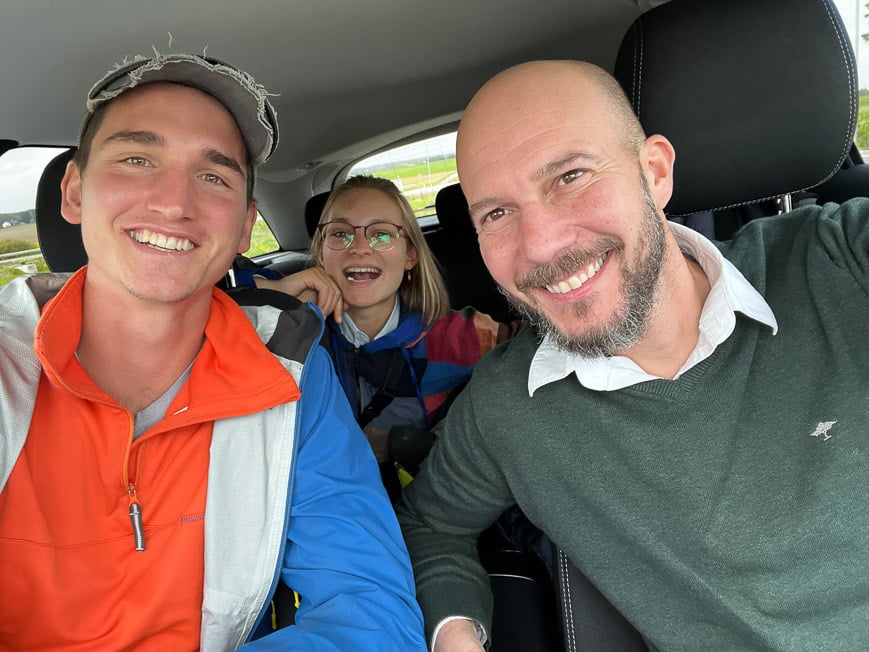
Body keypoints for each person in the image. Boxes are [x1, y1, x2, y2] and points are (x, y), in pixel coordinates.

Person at [396, 59, 869, 651]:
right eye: (496, 213)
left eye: (570, 177)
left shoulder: (842, 259)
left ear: (655, 172)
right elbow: (427, 526)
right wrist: (455, 632)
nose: (541, 244)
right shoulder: (507, 405)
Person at [0, 52, 426, 650]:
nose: (175, 202)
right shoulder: (7, 360)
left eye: (214, 176)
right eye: (136, 158)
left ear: (245, 224)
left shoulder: (294, 372)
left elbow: (372, 615)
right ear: (74, 191)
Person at [256, 175, 517, 502]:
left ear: (410, 256)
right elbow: (220, 304)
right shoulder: (295, 335)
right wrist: (278, 296)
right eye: (340, 234)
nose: (360, 247)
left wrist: (416, 441)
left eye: (381, 234)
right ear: (321, 254)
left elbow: (533, 358)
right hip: (322, 510)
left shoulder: (463, 337)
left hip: (429, 508)